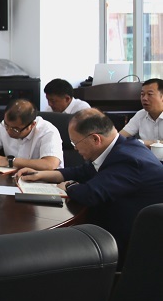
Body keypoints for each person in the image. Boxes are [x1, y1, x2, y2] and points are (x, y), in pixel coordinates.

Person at [19, 108, 163, 254]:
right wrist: (41, 174)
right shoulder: (120, 148)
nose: (75, 149)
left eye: (75, 143)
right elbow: (82, 171)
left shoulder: (128, 160)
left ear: (95, 139)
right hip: (113, 226)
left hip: (130, 243)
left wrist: (69, 185)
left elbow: (90, 194)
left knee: (48, 247)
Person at [0, 99, 63, 171]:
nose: (9, 131)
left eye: (15, 129)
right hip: (13, 179)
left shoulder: (48, 131)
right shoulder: (4, 126)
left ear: (32, 125)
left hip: (43, 183)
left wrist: (10, 161)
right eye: (7, 126)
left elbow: (50, 164)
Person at [120, 78, 163, 147]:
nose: (144, 98)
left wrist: (142, 142)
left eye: (150, 94)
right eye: (142, 94)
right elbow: (120, 137)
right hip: (144, 154)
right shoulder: (140, 114)